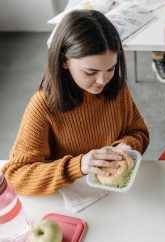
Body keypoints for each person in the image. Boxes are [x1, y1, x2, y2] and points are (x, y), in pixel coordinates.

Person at [1, 10, 149, 195]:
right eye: (90, 72)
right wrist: (78, 165)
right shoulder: (43, 105)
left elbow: (139, 132)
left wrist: (127, 146)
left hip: (113, 196)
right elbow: (15, 176)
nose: (103, 81)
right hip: (69, 200)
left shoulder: (116, 87)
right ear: (64, 61)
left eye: (111, 68)